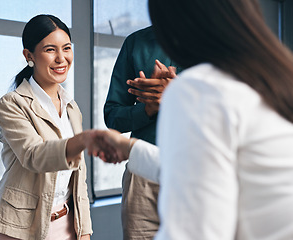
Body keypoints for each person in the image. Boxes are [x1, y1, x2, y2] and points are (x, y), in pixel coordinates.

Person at [91, 0, 293, 239]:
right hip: (152, 175)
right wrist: (147, 112)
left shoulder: (198, 87)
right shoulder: (277, 74)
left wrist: (176, 94)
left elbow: (197, 228)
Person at [0, 14, 99, 240]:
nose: (61, 58)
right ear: (29, 56)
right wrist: (80, 142)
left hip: (67, 225)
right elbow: (33, 155)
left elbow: (80, 178)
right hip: (19, 228)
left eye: (66, 48)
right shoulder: (11, 104)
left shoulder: (71, 108)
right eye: (50, 50)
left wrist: (84, 231)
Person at [103, 25, 177, 239]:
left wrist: (180, 94)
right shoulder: (135, 43)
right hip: (142, 178)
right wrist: (147, 109)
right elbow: (113, 116)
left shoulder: (218, 43)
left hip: (199, 175)